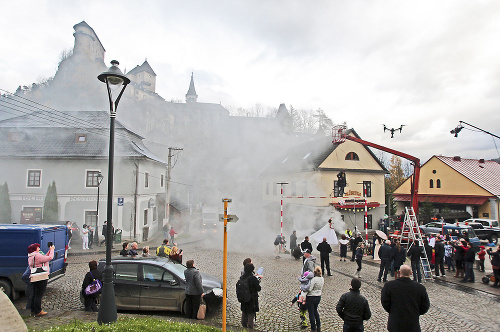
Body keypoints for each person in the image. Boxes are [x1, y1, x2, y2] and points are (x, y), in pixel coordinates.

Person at [381, 265, 430, 332]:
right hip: (412, 323)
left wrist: (393, 310)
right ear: (411, 273)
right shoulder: (420, 288)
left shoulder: (389, 286)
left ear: (399, 272)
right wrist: (415, 312)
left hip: (395, 322)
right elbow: (425, 305)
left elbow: (385, 302)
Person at [27, 242, 55, 317]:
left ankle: (33, 309)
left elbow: (44, 257)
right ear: (35, 249)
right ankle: (38, 311)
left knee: (34, 294)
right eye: (38, 247)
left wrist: (49, 251)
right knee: (39, 295)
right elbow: (49, 258)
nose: (39, 249)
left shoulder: (31, 256)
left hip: (34, 277)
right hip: (41, 277)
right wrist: (52, 250)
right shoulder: (37, 256)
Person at [239, 263, 261, 329]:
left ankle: (244, 328)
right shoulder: (253, 279)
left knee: (244, 315)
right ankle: (250, 330)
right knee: (250, 318)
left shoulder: (242, 277)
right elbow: (258, 288)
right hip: (251, 300)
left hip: (244, 299)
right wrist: (258, 280)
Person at [304, 266, 324, 332]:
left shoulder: (314, 279)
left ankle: (313, 328)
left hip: (311, 297)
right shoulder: (322, 279)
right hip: (318, 296)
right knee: (315, 311)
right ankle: (319, 326)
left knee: (311, 313)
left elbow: (310, 289)